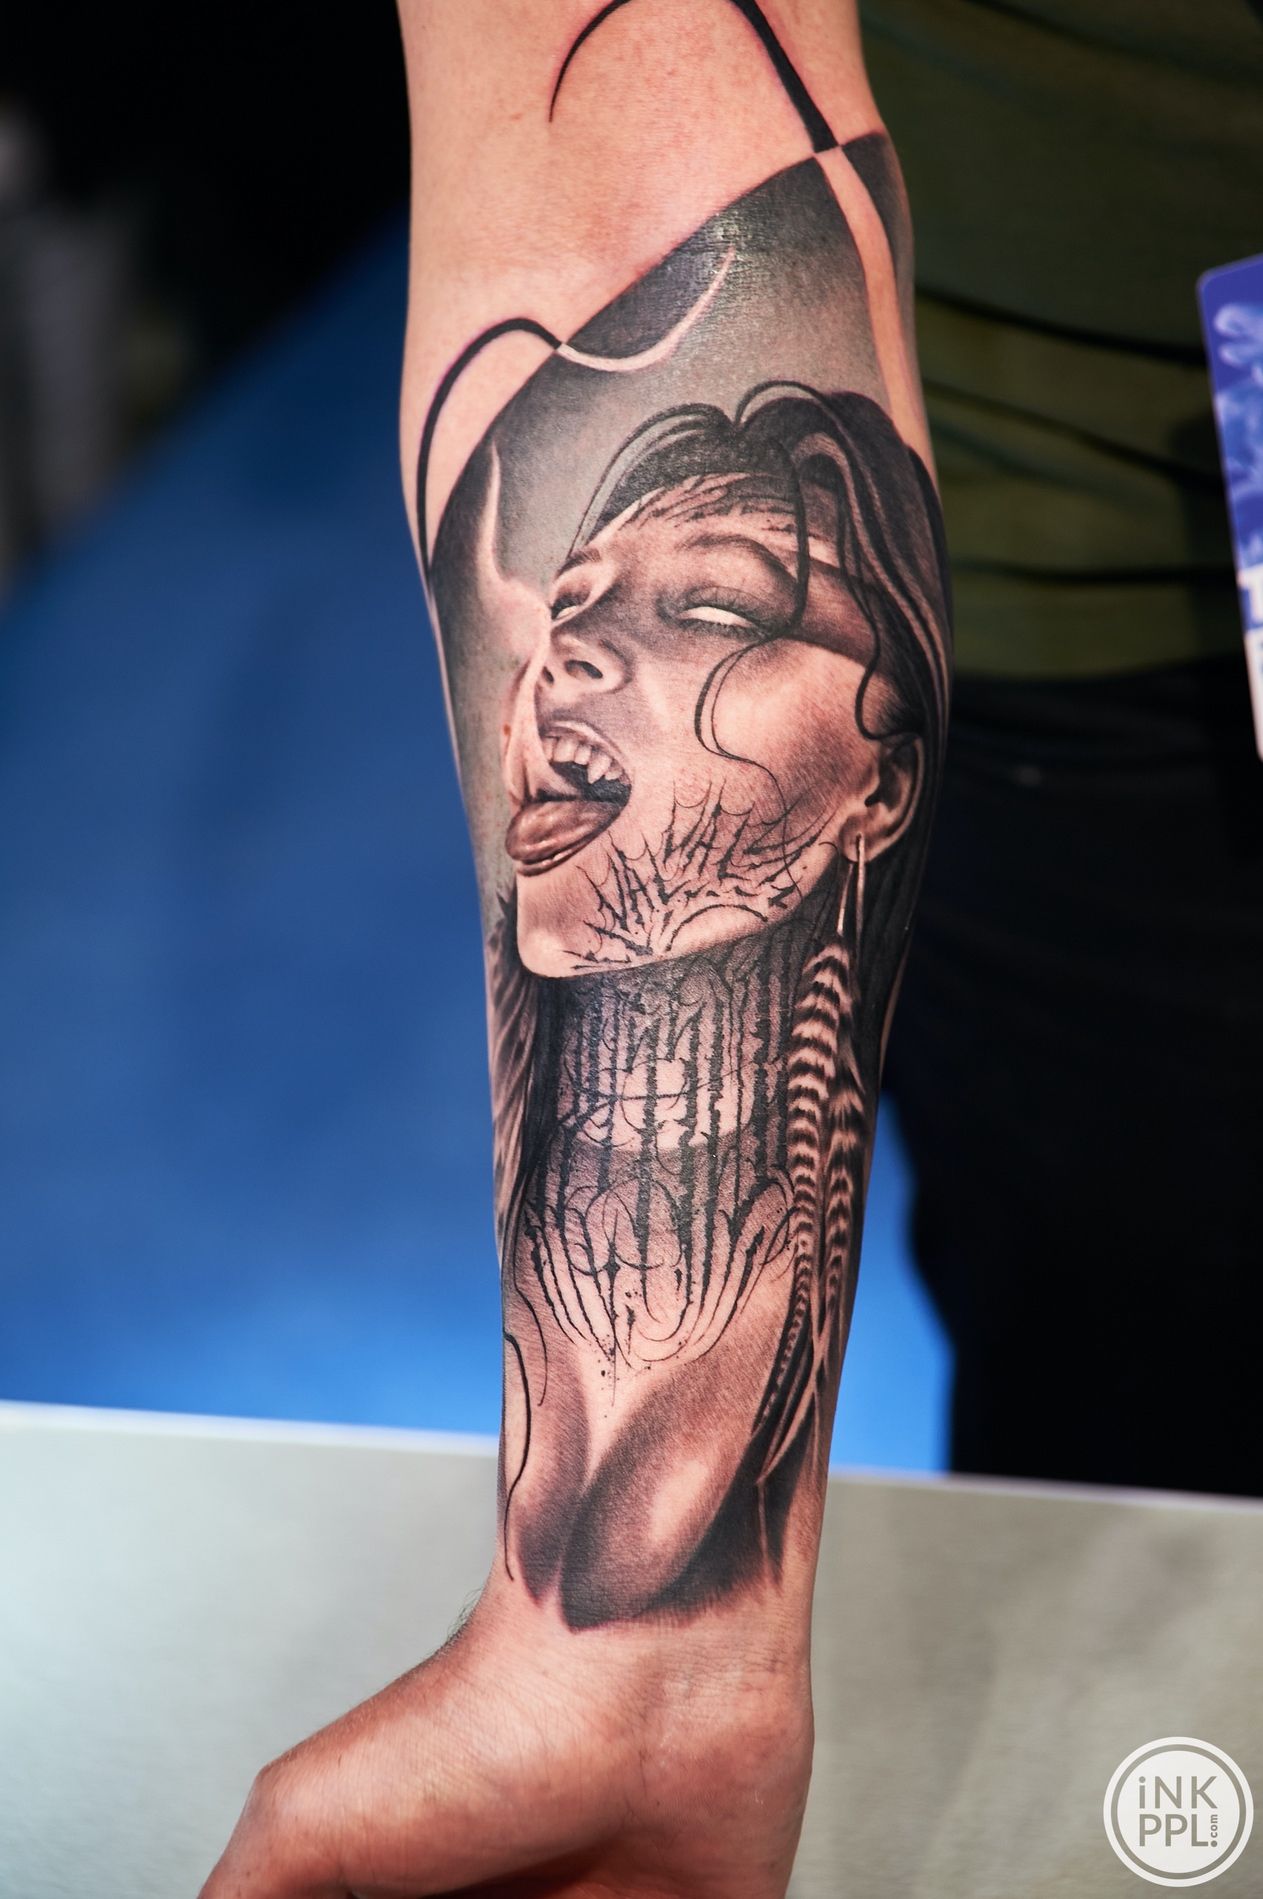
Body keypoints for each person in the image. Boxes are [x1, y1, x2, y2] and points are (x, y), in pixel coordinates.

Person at [200, 2, 1263, 1894]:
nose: (570, 660)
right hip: (1087, 584)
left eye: (709, 608)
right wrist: (642, 1666)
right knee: (1142, 1438)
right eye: (582, 601)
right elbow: (626, 153)